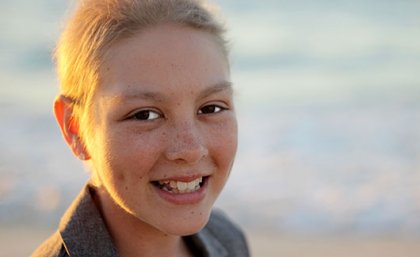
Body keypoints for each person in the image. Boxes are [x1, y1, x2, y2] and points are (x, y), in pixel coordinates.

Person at [31, 0, 249, 256]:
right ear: (75, 127)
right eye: (145, 115)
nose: (191, 150)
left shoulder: (228, 239)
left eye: (211, 108)